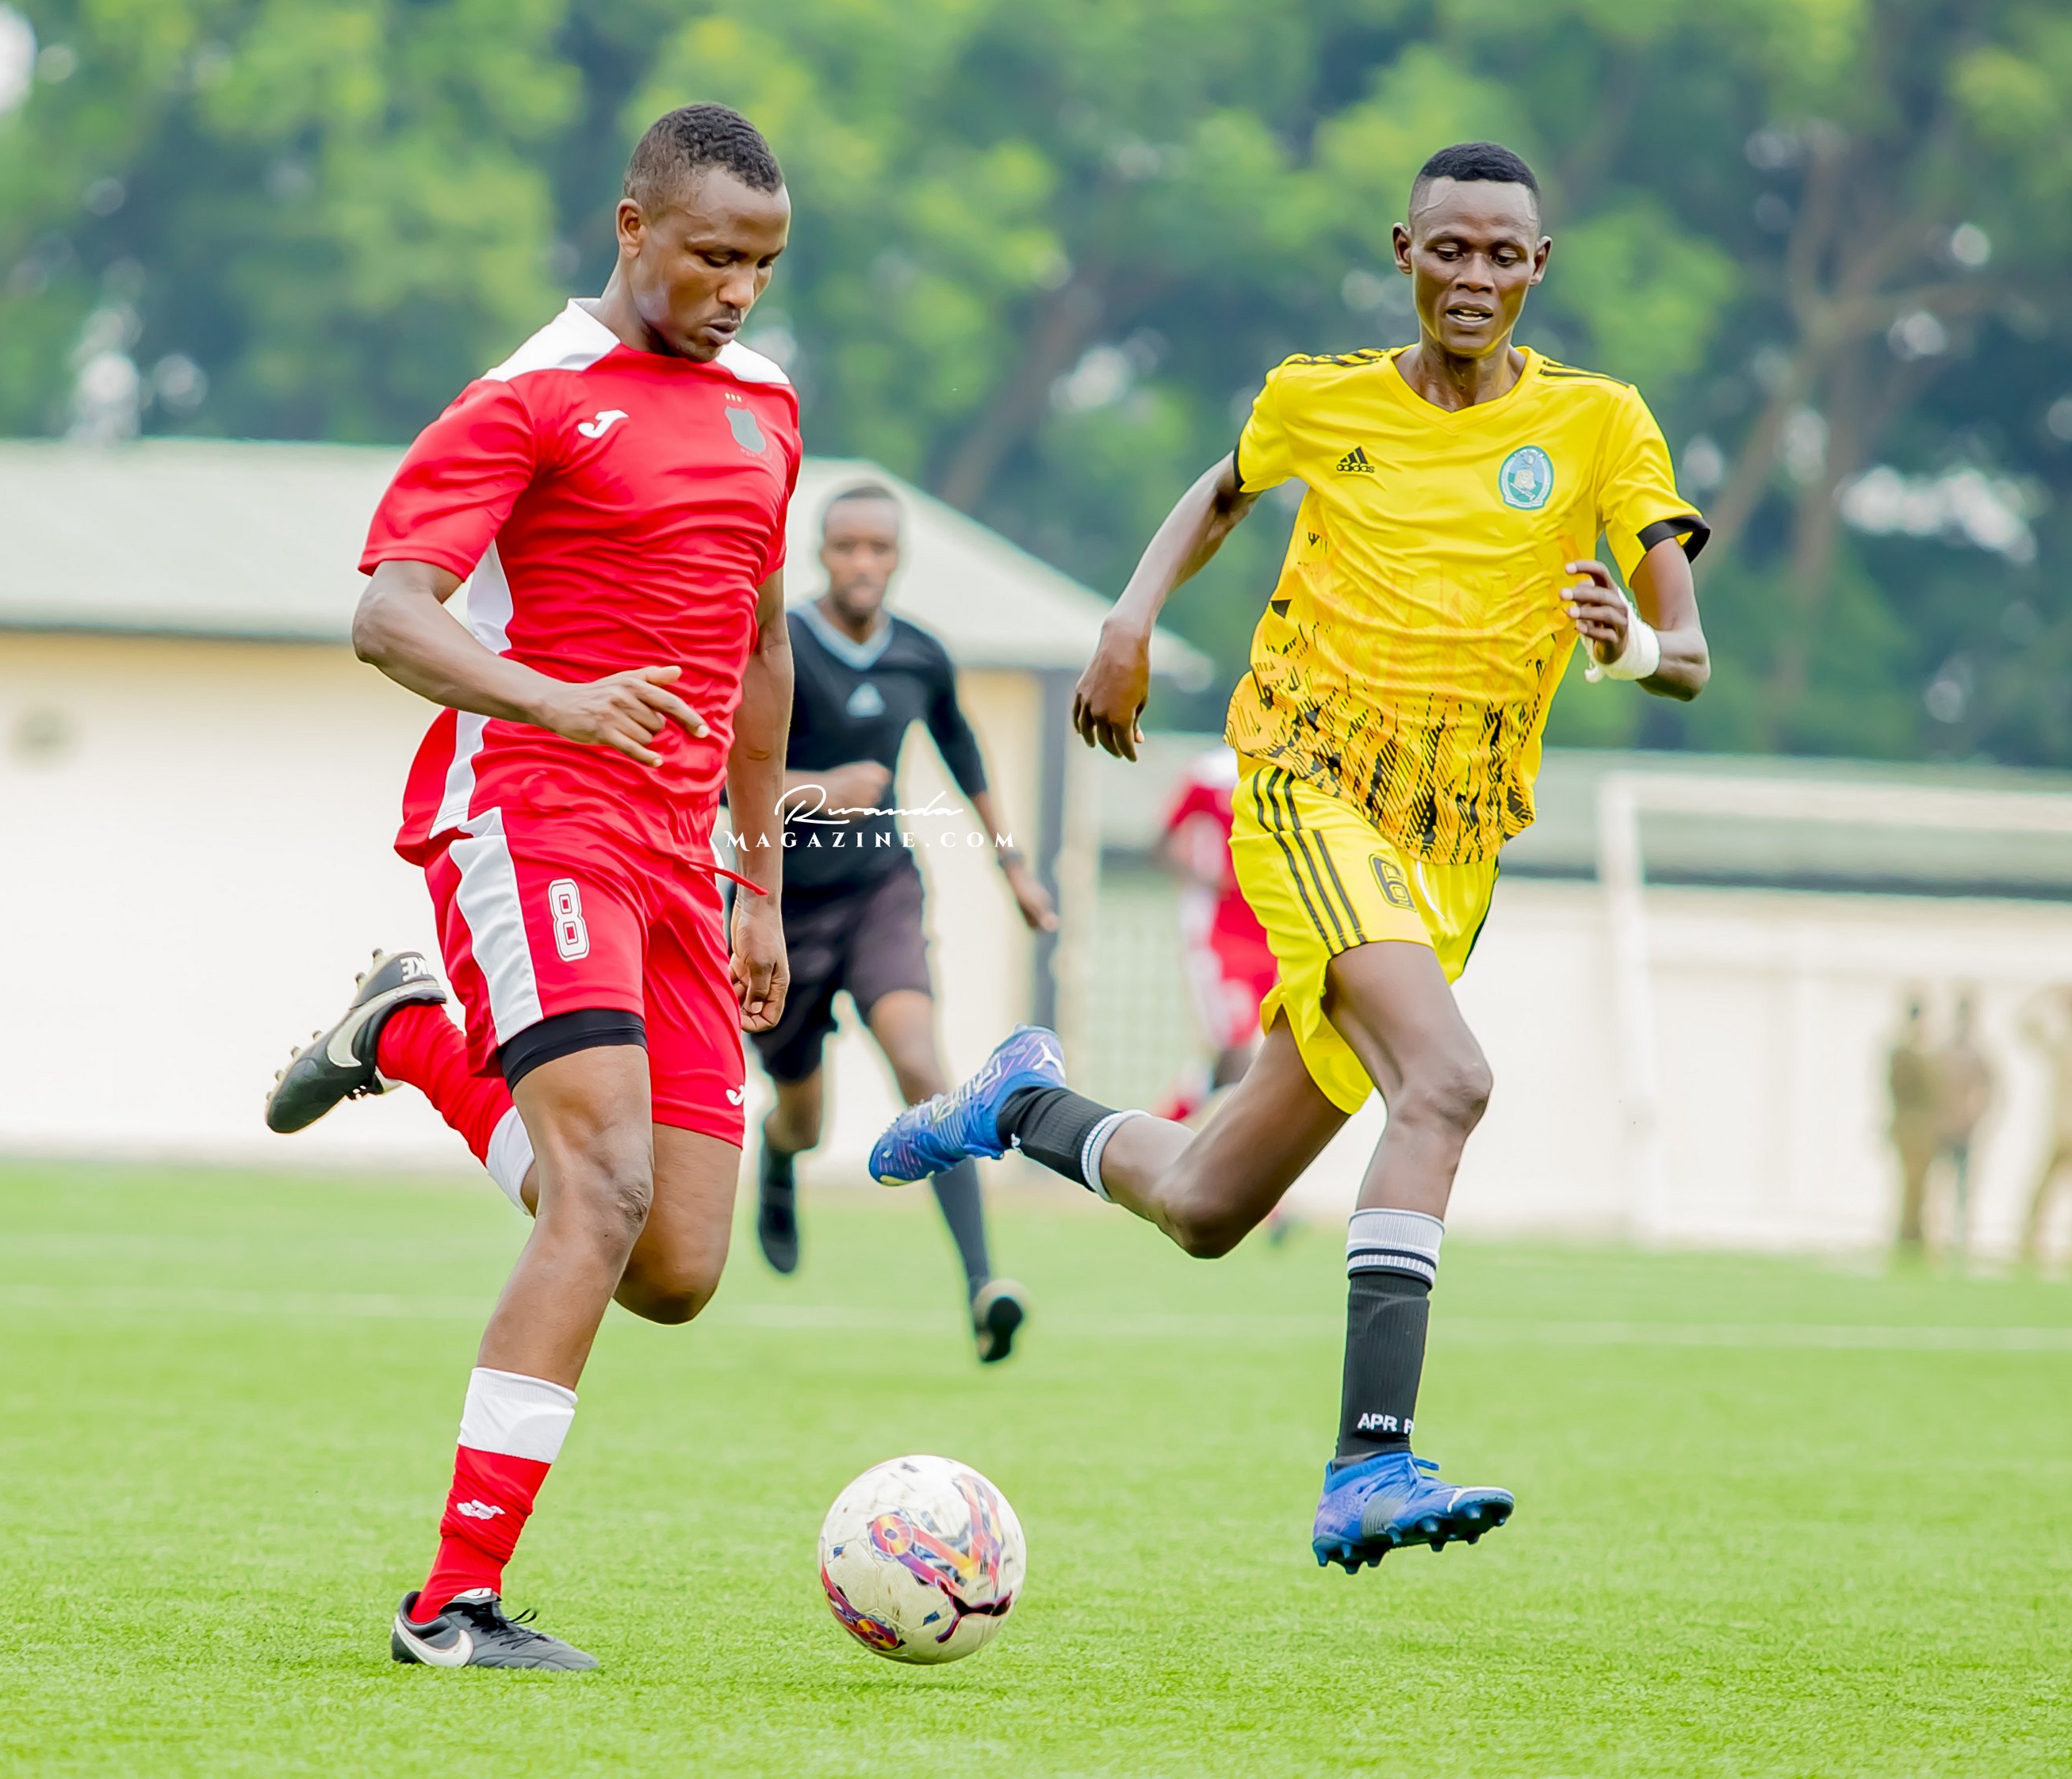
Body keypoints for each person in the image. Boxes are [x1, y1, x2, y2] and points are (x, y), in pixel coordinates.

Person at [868, 142, 1712, 1574]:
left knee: (1209, 1204)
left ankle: (1022, 1101)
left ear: (1539, 268)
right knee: (1447, 1081)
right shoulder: (1320, 397)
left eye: (1503, 254)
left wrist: (1627, 641)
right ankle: (1370, 1461)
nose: (1475, 276)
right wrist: (1127, 622)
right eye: (1450, 247)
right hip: (1310, 788)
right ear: (1405, 251)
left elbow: (1686, 653)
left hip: (1453, 848)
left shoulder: (1600, 423)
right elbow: (1222, 489)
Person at [263, 104, 799, 1671]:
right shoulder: (531, 393)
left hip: (682, 852)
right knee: (604, 1190)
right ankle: (452, 1605)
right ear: (632, 228)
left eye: (763, 266)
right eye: (712, 256)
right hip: (531, 808)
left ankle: (406, 1030)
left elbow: (763, 648)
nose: (736, 292)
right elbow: (390, 615)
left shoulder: (768, 407)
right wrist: (559, 702)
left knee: (676, 1265)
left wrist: (759, 881)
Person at [748, 480, 1059, 1362]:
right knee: (805, 1118)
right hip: (780, 910)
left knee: (922, 1064)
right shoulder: (776, 647)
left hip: (880, 891)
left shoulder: (921, 656)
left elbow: (963, 753)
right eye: (847, 546)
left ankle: (984, 1287)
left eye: (878, 548)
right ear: (820, 553)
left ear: (898, 558)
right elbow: (727, 783)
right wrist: (822, 791)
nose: (863, 562)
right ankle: (779, 1156)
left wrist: (1013, 868)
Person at [1156, 746, 1274, 1124]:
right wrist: (1209, 881)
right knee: (1236, 1048)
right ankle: (1164, 1133)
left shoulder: (1291, 768)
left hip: (1275, 934)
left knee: (1254, 1054)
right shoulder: (1210, 775)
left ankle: (1158, 1128)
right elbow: (1161, 844)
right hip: (1220, 936)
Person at [1931, 989, 1993, 1256]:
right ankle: (1937, 1239)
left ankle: (1958, 1240)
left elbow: (1989, 1091)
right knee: (1938, 1187)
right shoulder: (1943, 1052)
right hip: (1942, 1130)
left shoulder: (1975, 1055)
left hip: (1963, 1131)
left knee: (1961, 1190)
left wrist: (1974, 1117)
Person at [2016, 986, 2072, 1266]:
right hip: (2061, 1131)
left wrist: (2046, 994)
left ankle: (2029, 1244)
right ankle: (2029, 1244)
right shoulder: (2062, 1045)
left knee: (2040, 1193)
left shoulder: (2062, 1046)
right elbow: (2024, 1028)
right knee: (2040, 1193)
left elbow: (2025, 1026)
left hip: (2062, 1131)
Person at [1888, 994, 1940, 1253]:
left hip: (1920, 1128)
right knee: (1912, 1183)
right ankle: (1909, 1237)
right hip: (1912, 1128)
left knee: (1917, 1185)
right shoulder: (1906, 1053)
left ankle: (1914, 1235)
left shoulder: (1913, 1051)